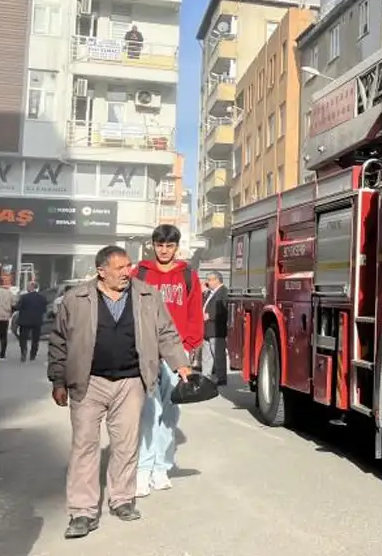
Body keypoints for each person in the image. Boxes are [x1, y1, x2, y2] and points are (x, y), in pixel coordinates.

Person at [46, 245, 191, 539]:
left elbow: (166, 332)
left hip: (130, 382)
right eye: (120, 268)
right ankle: (83, 511)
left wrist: (181, 365)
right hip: (88, 381)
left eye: (128, 266)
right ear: (101, 271)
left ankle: (122, 499)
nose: (128, 272)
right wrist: (58, 380)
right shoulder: (76, 299)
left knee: (125, 443)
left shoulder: (147, 296)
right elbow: (59, 342)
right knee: (85, 445)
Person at [133, 225, 202, 498]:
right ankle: (142, 469)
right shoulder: (139, 273)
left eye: (169, 245)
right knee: (148, 412)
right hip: (146, 351)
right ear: (152, 245)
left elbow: (195, 313)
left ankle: (161, 466)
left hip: (177, 354)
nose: (164, 250)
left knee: (170, 413)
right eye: (159, 245)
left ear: (176, 247)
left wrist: (189, 347)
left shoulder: (188, 275)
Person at [201, 271, 229, 386]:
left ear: (217, 280)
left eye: (210, 279)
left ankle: (221, 377)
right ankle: (205, 376)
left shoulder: (223, 292)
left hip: (216, 329)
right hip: (207, 329)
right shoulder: (210, 293)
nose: (208, 282)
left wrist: (210, 315)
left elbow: (223, 309)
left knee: (218, 355)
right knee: (206, 355)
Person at [13, 282, 48, 363]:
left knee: (23, 338)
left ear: (32, 287)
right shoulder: (42, 297)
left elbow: (18, 307)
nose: (27, 288)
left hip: (25, 321)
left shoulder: (24, 297)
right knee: (35, 339)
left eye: (28, 286)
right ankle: (33, 355)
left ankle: (23, 352)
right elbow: (44, 309)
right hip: (37, 321)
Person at [0, 283, 13, 359]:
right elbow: (14, 302)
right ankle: (2, 354)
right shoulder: (8, 292)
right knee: (3, 335)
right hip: (5, 316)